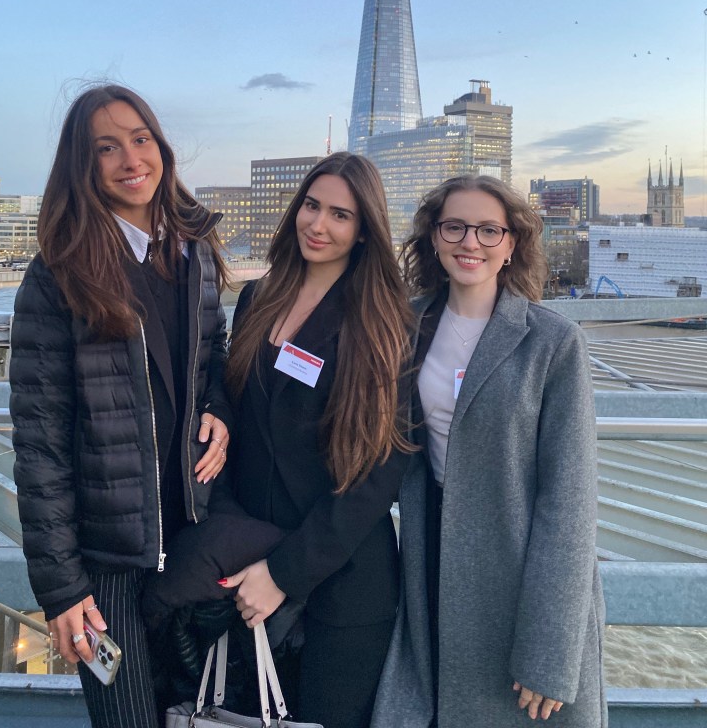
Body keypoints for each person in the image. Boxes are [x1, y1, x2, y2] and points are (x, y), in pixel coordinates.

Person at [9, 84, 232, 728]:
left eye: (141, 139)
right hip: (103, 567)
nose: (131, 158)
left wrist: (221, 404)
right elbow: (41, 442)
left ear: (161, 147)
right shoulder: (59, 273)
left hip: (193, 542)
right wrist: (61, 588)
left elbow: (216, 355)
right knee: (125, 719)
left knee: (201, 711)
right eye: (106, 148)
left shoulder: (194, 252)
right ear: (82, 166)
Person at [372, 175, 607, 728]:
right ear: (433, 237)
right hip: (432, 559)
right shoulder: (406, 326)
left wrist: (550, 650)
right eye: (454, 226)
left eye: (488, 230)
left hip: (520, 570)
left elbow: (569, 503)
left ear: (512, 244)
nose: (469, 242)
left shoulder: (552, 341)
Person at [218, 152, 414, 728]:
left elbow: (380, 472)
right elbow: (238, 414)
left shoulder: (383, 321)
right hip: (248, 566)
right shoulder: (259, 298)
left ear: (364, 232)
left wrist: (285, 573)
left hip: (343, 585)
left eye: (340, 215)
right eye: (311, 205)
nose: (318, 225)